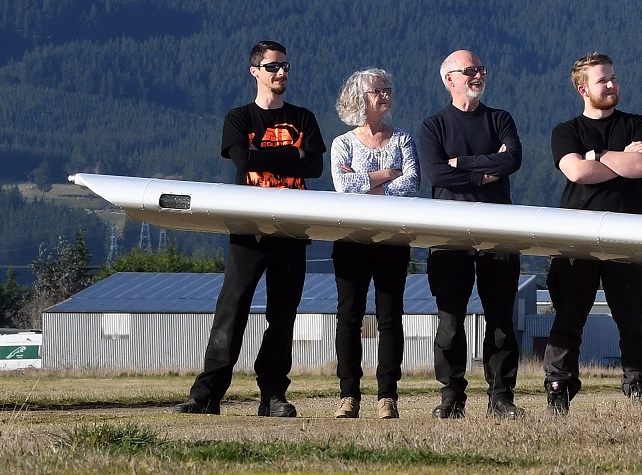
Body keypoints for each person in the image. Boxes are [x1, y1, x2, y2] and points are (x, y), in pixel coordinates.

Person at [172, 40, 325, 417]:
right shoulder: (239, 118)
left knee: (283, 315)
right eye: (273, 67)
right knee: (232, 309)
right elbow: (243, 160)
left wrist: (267, 158)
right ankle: (207, 395)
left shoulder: (304, 117)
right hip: (248, 231)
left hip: (292, 230)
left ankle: (273, 395)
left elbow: (315, 168)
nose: (282, 73)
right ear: (255, 71)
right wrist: (293, 155)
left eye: (286, 66)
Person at [545, 53, 642, 415]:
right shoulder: (567, 131)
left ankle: (639, 387)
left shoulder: (639, 124)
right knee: (568, 318)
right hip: (577, 237)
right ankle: (559, 387)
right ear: (583, 89)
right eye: (602, 80)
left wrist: (597, 157)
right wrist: (616, 159)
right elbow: (577, 173)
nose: (611, 85)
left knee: (634, 322)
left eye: (613, 78)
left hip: (629, 235)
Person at [417, 50, 525, 419]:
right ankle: (451, 396)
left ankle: (501, 397)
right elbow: (435, 175)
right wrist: (486, 170)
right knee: (449, 322)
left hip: (499, 231)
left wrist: (461, 164)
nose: (478, 75)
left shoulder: (500, 119)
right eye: (470, 71)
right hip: (449, 235)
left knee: (501, 319)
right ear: (449, 79)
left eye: (481, 69)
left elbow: (512, 160)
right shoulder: (433, 126)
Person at [328, 68, 418, 420]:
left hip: (393, 240)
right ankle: (348, 394)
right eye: (377, 91)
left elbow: (411, 183)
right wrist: (384, 176)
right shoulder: (342, 143)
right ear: (359, 99)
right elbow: (341, 185)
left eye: (387, 89)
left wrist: (363, 181)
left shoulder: (403, 139)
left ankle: (387, 396)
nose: (385, 95)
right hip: (351, 239)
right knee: (348, 317)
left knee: (390, 317)